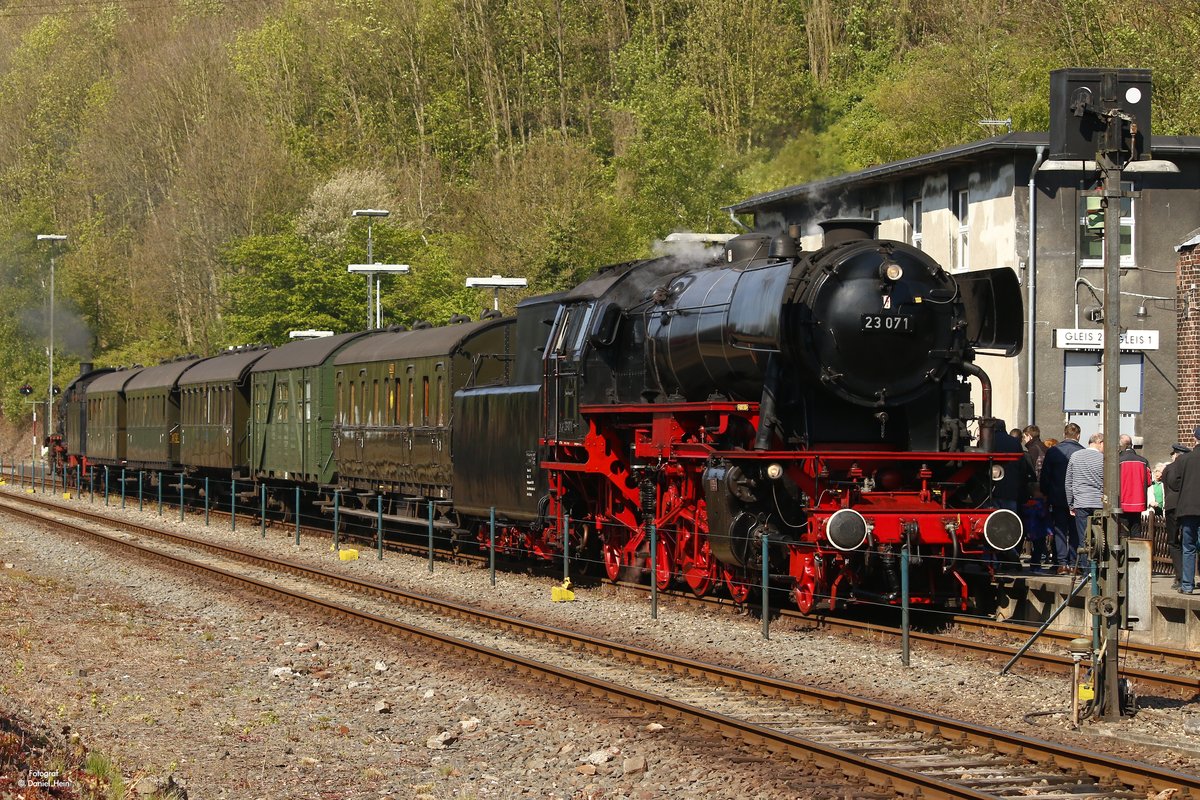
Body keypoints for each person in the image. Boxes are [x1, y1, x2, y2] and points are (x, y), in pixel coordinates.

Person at [1040, 423, 1085, 572]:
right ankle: (1073, 562)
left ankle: (1061, 562)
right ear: (1078, 435)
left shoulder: (1053, 451)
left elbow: (1045, 475)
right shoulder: (1082, 451)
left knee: (1059, 529)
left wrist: (1045, 492)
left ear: (1064, 434)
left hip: (1057, 495)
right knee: (1074, 530)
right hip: (1077, 497)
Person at [1165, 429, 1200, 595]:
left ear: (1195, 438)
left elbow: (1173, 482)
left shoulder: (1184, 460)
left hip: (1188, 509)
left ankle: (1187, 585)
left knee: (1188, 547)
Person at [1065, 432, 1104, 574]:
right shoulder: (1103, 459)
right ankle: (1098, 572)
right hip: (1099, 503)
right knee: (1100, 539)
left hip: (1081, 502)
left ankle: (1087, 572)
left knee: (1083, 538)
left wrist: (1071, 503)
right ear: (1099, 442)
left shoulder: (1075, 456)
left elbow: (1068, 482)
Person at [1020, 425, 1050, 569]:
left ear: (1029, 436)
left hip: (1034, 494)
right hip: (1045, 493)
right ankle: (1039, 556)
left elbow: (1030, 474)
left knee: (1032, 527)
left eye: (1025, 437)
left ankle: (1035, 559)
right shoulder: (1046, 448)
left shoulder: (1031, 450)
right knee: (1042, 528)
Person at [1163, 444, 1190, 590]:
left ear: (1175, 455)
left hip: (1173, 507)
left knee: (1174, 542)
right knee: (1188, 541)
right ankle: (1185, 576)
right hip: (1184, 506)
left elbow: (1172, 483)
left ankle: (1180, 577)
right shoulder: (1187, 467)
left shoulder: (1172, 467)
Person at [1117, 434, 1152, 538]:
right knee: (1136, 532)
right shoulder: (1143, 461)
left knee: (1123, 533)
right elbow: (1149, 482)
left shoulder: (1117, 461)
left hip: (1122, 502)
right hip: (1138, 502)